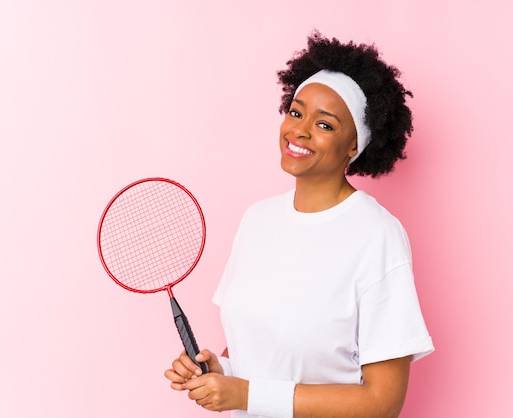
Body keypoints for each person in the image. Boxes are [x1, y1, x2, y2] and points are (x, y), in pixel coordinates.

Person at [164, 31, 434, 418]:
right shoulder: (258, 219)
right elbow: (252, 354)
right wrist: (218, 373)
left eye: (325, 125)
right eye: (296, 112)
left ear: (354, 146)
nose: (300, 130)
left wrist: (245, 396)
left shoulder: (377, 235)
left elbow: (382, 402)